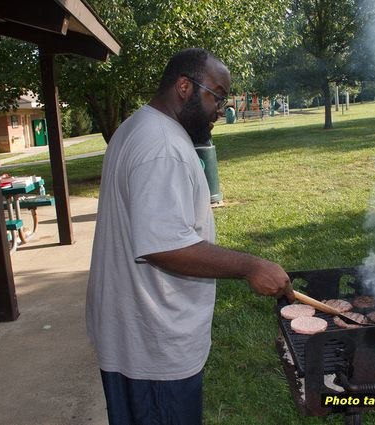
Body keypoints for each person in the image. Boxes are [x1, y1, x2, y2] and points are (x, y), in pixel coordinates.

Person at [86, 48, 294, 425]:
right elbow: (164, 246)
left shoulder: (138, 127)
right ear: (185, 87)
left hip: (134, 332)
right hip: (153, 344)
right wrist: (251, 266)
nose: (221, 108)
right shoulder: (162, 147)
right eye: (217, 94)